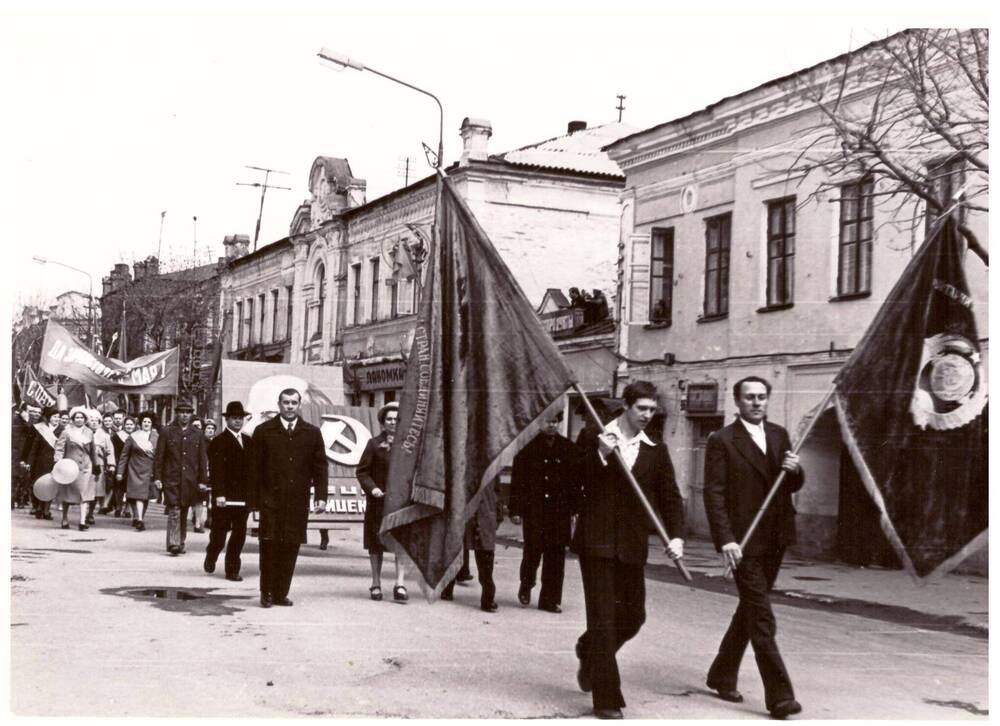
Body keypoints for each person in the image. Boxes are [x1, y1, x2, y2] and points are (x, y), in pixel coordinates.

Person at [571, 380, 685, 720]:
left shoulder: (655, 449)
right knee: (603, 619)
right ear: (627, 405)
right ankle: (607, 697)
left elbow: (670, 497)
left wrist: (676, 536)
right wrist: (601, 456)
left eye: (653, 410)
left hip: (633, 543)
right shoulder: (594, 436)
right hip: (598, 542)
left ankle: (589, 650)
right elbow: (574, 481)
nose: (648, 415)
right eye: (642, 409)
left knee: (633, 616)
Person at [703, 376, 804, 720]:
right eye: (750, 398)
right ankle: (780, 697)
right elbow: (714, 493)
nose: (757, 403)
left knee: (750, 607)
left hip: (775, 536)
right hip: (743, 541)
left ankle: (721, 674)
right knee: (761, 614)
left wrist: (795, 470)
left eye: (762, 397)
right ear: (737, 402)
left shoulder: (778, 434)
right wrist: (725, 539)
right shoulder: (722, 440)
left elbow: (789, 484)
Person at [249, 388, 328, 608]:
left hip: (297, 501)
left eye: (294, 403)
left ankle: (281, 592)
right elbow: (254, 469)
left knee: (291, 546)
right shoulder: (264, 431)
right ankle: (266, 592)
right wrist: (254, 502)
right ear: (279, 404)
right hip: (270, 501)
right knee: (269, 545)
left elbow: (320, 467)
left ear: (299, 404)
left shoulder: (311, 433)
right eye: (286, 402)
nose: (290, 406)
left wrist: (321, 496)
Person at [509, 409, 580, 613]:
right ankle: (527, 583)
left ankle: (549, 600)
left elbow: (575, 482)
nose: (552, 425)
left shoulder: (569, 448)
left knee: (556, 557)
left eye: (556, 421)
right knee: (532, 552)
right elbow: (518, 481)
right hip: (535, 512)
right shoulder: (527, 448)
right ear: (540, 423)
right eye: (548, 421)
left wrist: (575, 508)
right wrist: (515, 509)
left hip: (560, 513)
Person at [356, 402, 407, 602]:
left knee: (400, 543)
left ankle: (400, 584)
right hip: (378, 502)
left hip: (401, 503)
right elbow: (362, 471)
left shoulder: (409, 444)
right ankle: (376, 583)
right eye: (389, 419)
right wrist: (373, 488)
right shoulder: (373, 444)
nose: (393, 422)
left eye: (396, 419)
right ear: (383, 423)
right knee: (376, 544)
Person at [204, 403, 252, 582]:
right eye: (234, 418)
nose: (238, 421)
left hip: (243, 498)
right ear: (227, 420)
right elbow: (217, 471)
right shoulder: (218, 442)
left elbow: (253, 471)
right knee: (219, 534)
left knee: (239, 534)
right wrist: (219, 494)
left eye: (240, 418)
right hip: (224, 498)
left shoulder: (249, 441)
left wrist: (252, 496)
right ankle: (212, 554)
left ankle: (232, 569)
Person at [153, 401, 208, 555]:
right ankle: (174, 543)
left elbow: (202, 459)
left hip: (190, 478)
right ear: (177, 413)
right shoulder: (167, 432)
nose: (185, 415)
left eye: (188, 412)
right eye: (182, 412)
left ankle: (180, 541)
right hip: (172, 477)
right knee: (174, 508)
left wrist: (203, 480)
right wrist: (157, 477)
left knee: (184, 509)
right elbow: (159, 457)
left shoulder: (198, 434)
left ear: (192, 414)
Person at [441, 481, 500, 612]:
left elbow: (497, 492)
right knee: (456, 550)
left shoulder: (492, 464)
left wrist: (498, 515)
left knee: (486, 558)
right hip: (463, 513)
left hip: (485, 514)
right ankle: (447, 588)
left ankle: (488, 598)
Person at [53, 406, 100, 531]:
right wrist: (58, 461)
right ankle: (64, 519)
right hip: (70, 468)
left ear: (85, 419)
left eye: (81, 417)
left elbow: (93, 450)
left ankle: (82, 521)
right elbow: (59, 448)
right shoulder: (66, 432)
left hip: (86, 466)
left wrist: (96, 465)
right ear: (72, 419)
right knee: (68, 495)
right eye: (76, 417)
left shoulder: (89, 432)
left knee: (84, 494)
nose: (79, 420)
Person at [118, 412, 157, 530]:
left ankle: (139, 517)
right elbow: (124, 455)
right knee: (137, 495)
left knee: (145, 496)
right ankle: (139, 519)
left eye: (149, 422)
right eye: (144, 421)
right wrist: (120, 471)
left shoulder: (157, 437)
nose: (146, 424)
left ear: (152, 424)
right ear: (141, 423)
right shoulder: (133, 436)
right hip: (134, 468)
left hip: (150, 469)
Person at [21, 406, 58, 520]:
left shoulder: (61, 430)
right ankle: (38, 507)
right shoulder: (40, 429)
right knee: (38, 484)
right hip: (40, 462)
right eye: (54, 417)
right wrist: (29, 462)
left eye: (58, 417)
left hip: (55, 462)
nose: (57, 419)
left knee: (51, 485)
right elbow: (34, 448)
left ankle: (46, 510)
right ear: (48, 418)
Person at [95, 413, 118, 517]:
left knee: (110, 484)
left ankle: (106, 504)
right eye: (106, 421)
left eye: (110, 421)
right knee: (101, 483)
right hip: (102, 460)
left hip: (114, 459)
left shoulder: (116, 432)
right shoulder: (99, 432)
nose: (108, 423)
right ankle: (102, 505)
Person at [109, 412, 130, 517]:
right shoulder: (116, 436)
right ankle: (118, 507)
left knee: (130, 487)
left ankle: (128, 509)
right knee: (119, 487)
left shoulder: (136, 436)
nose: (129, 426)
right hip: (120, 463)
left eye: (131, 425)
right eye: (127, 425)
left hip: (133, 465)